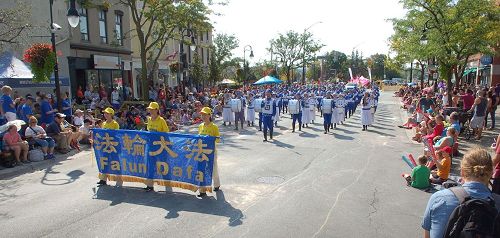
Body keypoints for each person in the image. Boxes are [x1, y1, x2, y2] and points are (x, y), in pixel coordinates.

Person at [422, 148, 495, 238]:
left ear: (462, 172)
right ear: (491, 173)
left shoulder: (440, 198)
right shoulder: (496, 203)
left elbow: (427, 235)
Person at [144, 101, 169, 191]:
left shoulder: (161, 120)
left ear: (156, 110)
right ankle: (150, 185)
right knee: (150, 165)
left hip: (160, 147)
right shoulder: (149, 119)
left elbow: (166, 133)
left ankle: (167, 182)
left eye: (152, 109)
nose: (150, 111)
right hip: (151, 146)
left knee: (162, 164)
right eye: (149, 109)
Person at [197, 107, 221, 197]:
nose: (203, 116)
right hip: (201, 151)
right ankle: (202, 190)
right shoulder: (200, 126)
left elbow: (218, 140)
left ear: (209, 115)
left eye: (205, 114)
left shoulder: (214, 127)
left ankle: (216, 184)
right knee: (202, 169)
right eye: (202, 114)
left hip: (211, 151)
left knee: (213, 168)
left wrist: (212, 139)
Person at [97, 108, 119, 186]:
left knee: (115, 162)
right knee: (104, 162)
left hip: (113, 146)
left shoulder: (115, 124)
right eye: (105, 113)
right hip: (105, 146)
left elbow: (117, 134)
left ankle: (118, 177)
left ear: (111, 115)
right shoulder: (104, 123)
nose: (106, 115)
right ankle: (103, 179)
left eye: (108, 113)